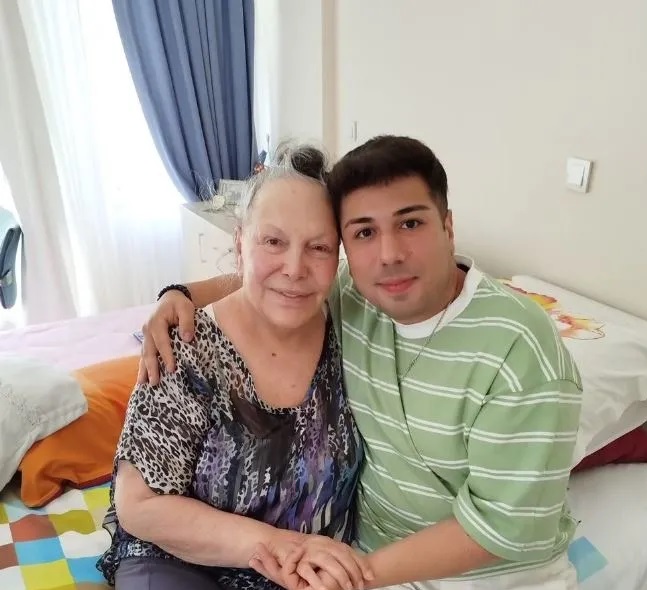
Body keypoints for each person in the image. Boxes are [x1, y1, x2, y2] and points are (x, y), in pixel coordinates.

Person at [141, 136, 583, 590]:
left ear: (448, 227)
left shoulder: (520, 351)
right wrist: (179, 295)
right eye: (365, 232)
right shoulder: (357, 296)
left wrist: (348, 576)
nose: (389, 255)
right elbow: (275, 276)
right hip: (365, 557)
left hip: (488, 576)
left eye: (410, 223)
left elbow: (501, 528)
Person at [97, 145, 369, 590]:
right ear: (240, 243)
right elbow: (139, 506)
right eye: (273, 241)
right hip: (183, 560)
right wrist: (281, 546)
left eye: (318, 247)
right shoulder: (187, 345)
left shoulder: (351, 329)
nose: (295, 268)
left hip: (309, 570)